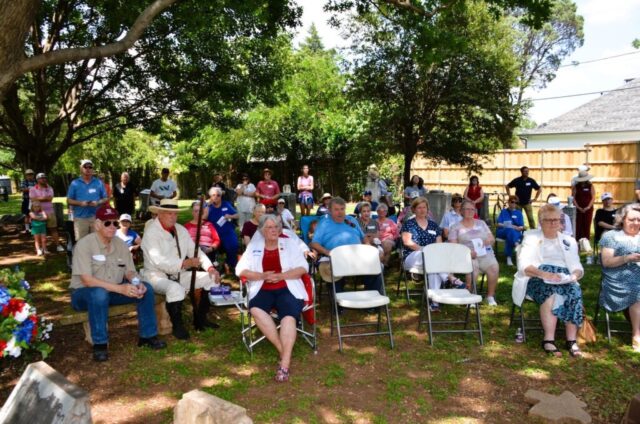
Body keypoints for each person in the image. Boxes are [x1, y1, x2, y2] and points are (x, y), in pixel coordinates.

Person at [70, 205, 167, 362]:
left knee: (147, 289)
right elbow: (87, 280)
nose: (112, 227)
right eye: (107, 223)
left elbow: (130, 272)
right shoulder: (84, 245)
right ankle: (100, 344)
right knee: (99, 294)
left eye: (115, 223)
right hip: (84, 294)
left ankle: (148, 336)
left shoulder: (121, 244)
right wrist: (120, 288)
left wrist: (137, 283)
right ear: (97, 224)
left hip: (113, 291)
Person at [236, 215, 309, 382]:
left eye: (276, 226)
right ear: (262, 230)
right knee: (256, 309)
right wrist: (261, 276)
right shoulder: (254, 246)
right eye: (269, 227)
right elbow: (240, 269)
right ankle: (282, 350)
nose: (274, 230)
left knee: (288, 316)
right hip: (262, 288)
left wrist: (281, 276)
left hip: (288, 287)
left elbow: (303, 267)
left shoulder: (289, 244)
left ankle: (285, 363)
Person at [142, 199, 221, 340]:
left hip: (179, 273)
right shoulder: (151, 233)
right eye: (169, 213)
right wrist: (184, 263)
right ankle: (178, 326)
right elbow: (159, 261)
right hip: (156, 276)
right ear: (160, 214)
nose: (173, 217)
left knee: (212, 279)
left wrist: (210, 268)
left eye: (175, 214)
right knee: (175, 289)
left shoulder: (181, 230)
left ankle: (200, 319)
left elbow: (195, 251)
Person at [513, 204, 584, 357]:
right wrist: (544, 274)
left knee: (574, 290)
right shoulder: (531, 238)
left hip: (563, 277)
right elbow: (523, 265)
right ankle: (549, 339)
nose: (553, 223)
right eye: (548, 220)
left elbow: (577, 266)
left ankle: (571, 340)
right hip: (536, 276)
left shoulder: (569, 241)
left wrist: (574, 276)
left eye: (556, 220)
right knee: (551, 292)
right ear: (541, 221)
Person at [310, 197, 383, 295]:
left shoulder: (351, 220)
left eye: (342, 209)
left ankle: (372, 297)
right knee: (331, 271)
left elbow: (363, 237)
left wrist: (368, 246)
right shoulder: (324, 223)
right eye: (336, 209)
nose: (340, 212)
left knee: (377, 266)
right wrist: (328, 252)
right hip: (336, 258)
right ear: (330, 211)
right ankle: (338, 301)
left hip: (357, 256)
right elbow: (314, 243)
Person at [401, 197, 458, 311]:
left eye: (424, 207)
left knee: (433, 268)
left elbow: (439, 245)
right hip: (412, 256)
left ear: (428, 209)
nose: (422, 210)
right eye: (419, 207)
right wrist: (424, 250)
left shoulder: (433, 225)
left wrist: (432, 252)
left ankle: (434, 303)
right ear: (414, 209)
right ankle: (449, 278)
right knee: (431, 259)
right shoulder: (409, 224)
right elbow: (407, 242)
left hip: (431, 259)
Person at [599, 203, 640, 352]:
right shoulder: (611, 236)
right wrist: (627, 258)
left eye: (639, 220)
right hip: (618, 278)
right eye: (632, 219)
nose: (636, 223)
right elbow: (606, 262)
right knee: (638, 290)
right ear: (622, 219)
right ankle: (637, 335)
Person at [449, 200, 499, 306]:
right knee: (473, 268)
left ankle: (490, 296)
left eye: (472, 209)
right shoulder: (455, 227)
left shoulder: (481, 223)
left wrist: (488, 241)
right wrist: (467, 252)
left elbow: (492, 238)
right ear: (461, 211)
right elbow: (453, 246)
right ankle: (470, 296)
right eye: (467, 209)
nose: (470, 211)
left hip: (484, 253)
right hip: (466, 255)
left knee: (494, 267)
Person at [67, 159, 108, 241]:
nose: (88, 169)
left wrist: (98, 202)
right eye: (85, 167)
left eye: (90, 167)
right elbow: (69, 200)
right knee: (81, 242)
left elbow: (105, 198)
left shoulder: (98, 182)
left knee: (97, 241)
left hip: (96, 217)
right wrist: (80, 203)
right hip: (80, 218)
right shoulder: (75, 183)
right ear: (81, 168)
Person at [206, 187, 239, 275]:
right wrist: (206, 205)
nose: (216, 197)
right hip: (213, 234)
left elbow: (237, 215)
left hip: (227, 231)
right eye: (213, 195)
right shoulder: (208, 207)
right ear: (210, 196)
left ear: (221, 196)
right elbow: (201, 217)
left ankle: (230, 265)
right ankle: (215, 266)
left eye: (218, 195)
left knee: (233, 245)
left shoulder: (226, 204)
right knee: (209, 248)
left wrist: (230, 216)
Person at [29, 172, 64, 252]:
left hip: (50, 211)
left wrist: (39, 198)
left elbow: (50, 198)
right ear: (37, 180)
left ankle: (58, 245)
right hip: (37, 213)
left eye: (45, 178)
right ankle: (40, 248)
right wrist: (44, 198)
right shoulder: (33, 189)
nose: (44, 179)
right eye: (42, 178)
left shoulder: (49, 188)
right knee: (39, 231)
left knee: (53, 229)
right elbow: (33, 199)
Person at [496, 195, 525, 267]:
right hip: (503, 231)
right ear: (508, 202)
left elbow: (521, 226)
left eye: (516, 202)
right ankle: (516, 244)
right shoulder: (503, 212)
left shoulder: (519, 213)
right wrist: (511, 226)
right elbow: (499, 224)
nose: (514, 204)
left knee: (511, 234)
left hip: (515, 232)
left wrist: (519, 228)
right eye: (512, 202)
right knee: (510, 230)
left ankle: (509, 257)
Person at [572, 168, 595, 242]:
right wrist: (578, 207)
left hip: (588, 210)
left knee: (586, 225)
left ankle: (586, 242)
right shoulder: (576, 186)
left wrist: (588, 207)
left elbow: (593, 197)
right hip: (578, 209)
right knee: (578, 226)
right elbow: (573, 198)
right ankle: (577, 241)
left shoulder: (590, 186)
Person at [20, 169, 36, 234]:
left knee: (34, 214)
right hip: (26, 200)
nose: (30, 176)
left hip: (34, 200)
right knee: (27, 215)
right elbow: (22, 189)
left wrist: (29, 189)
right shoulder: (24, 181)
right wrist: (32, 189)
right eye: (28, 174)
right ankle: (27, 229)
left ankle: (33, 228)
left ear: (33, 175)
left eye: (31, 174)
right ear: (26, 175)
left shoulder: (35, 181)